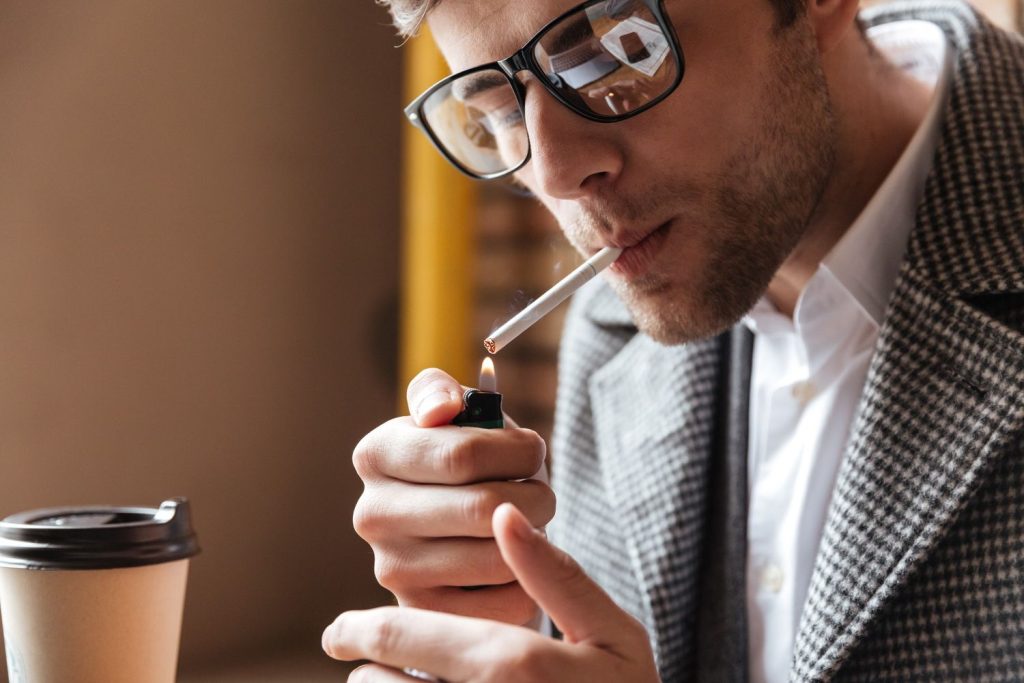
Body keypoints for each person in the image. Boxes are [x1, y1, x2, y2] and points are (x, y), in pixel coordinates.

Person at [322, 0, 1024, 680]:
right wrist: (510, 630)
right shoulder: (615, 324)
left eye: (614, 50)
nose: (558, 175)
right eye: (499, 108)